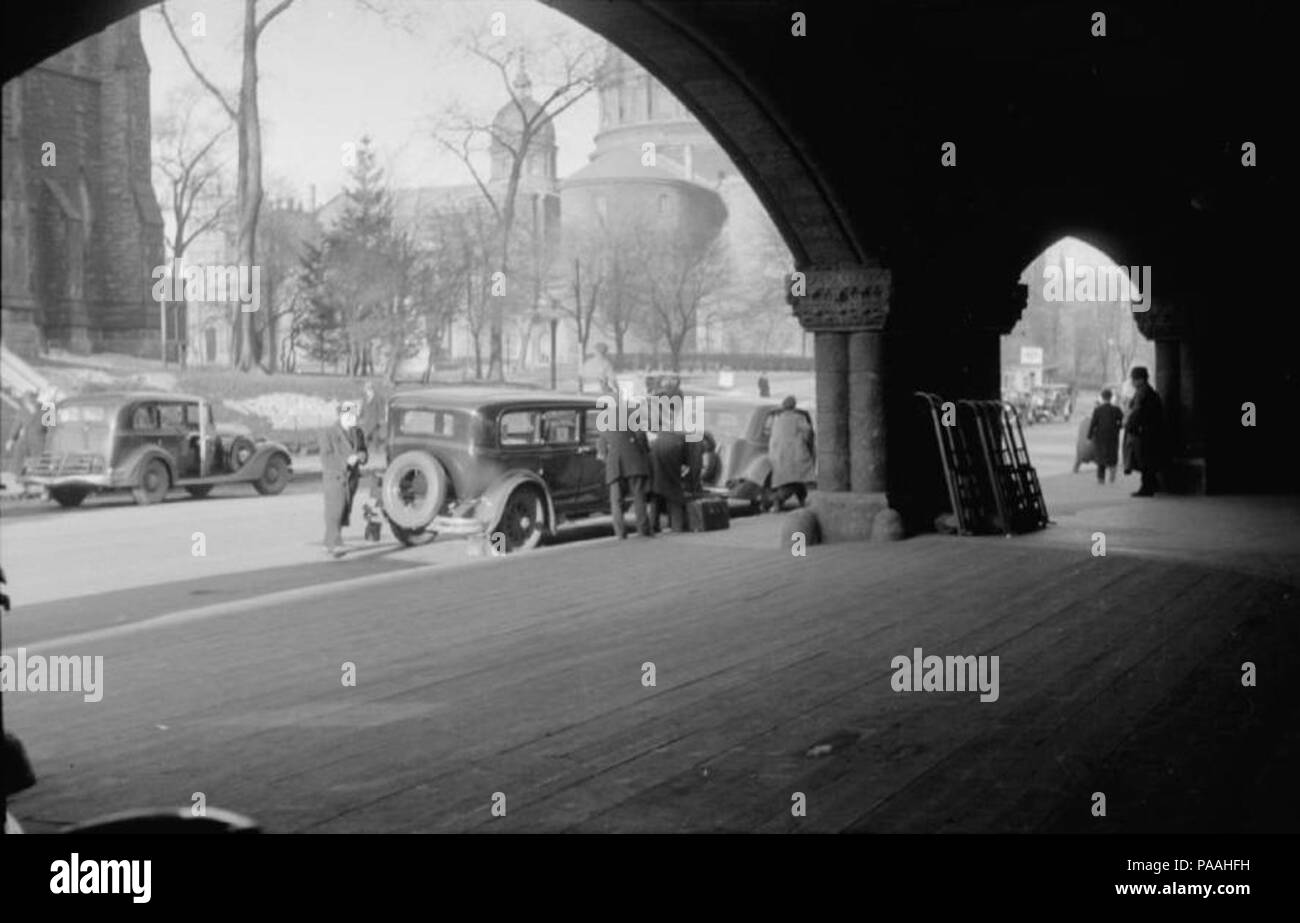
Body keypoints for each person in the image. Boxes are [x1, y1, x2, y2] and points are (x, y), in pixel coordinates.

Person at [597, 392, 653, 538]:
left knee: (616, 501)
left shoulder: (603, 419)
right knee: (638, 496)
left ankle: (620, 533)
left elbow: (601, 449)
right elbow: (641, 436)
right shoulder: (631, 413)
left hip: (614, 465)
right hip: (634, 461)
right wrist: (644, 451)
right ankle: (643, 530)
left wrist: (608, 459)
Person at [320, 401, 368, 556]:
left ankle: (333, 540)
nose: (352, 419)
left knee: (344, 509)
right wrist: (345, 461)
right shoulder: (329, 433)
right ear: (341, 416)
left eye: (353, 416)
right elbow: (326, 458)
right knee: (335, 510)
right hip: (335, 477)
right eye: (349, 416)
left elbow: (363, 451)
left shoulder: (357, 432)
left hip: (351, 478)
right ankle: (333, 543)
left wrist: (361, 457)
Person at [648, 403, 697, 533]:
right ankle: (677, 526)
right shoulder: (681, 434)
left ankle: (653, 526)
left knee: (656, 496)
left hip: (656, 461)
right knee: (674, 496)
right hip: (672, 458)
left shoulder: (655, 423)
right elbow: (688, 460)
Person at [767, 395, 816, 511]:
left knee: (789, 481)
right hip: (795, 455)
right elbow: (808, 431)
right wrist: (807, 442)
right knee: (796, 481)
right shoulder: (798, 418)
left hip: (778, 456)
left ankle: (798, 501)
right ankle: (778, 502)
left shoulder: (777, 420)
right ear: (794, 406)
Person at [1122, 366, 1165, 497]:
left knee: (1145, 461)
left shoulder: (1145, 394)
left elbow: (1140, 413)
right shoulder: (1144, 392)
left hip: (1145, 433)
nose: (1133, 382)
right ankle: (1151, 485)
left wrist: (1132, 425)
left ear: (1141, 379)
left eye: (1134, 379)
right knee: (1144, 460)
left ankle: (1147, 488)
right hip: (1144, 432)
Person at [1087, 388, 1124, 484]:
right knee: (1112, 455)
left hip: (1100, 437)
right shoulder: (1116, 409)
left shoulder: (1098, 410)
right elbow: (1122, 421)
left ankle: (1101, 479)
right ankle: (1112, 477)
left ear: (1102, 397)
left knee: (1101, 457)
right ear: (1111, 397)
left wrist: (1089, 436)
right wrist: (1117, 427)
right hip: (1113, 436)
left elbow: (1093, 424)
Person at [358, 380, 384, 455]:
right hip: (367, 421)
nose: (366, 391)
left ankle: (377, 452)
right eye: (365, 390)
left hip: (375, 421)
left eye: (367, 389)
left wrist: (381, 419)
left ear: (371, 389)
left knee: (375, 438)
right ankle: (365, 452)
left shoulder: (377, 398)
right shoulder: (365, 398)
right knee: (365, 438)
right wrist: (360, 417)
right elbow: (362, 408)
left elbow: (381, 409)